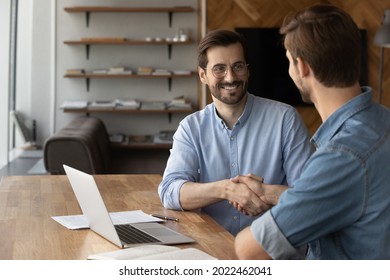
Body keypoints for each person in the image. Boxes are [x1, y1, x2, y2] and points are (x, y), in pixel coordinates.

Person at [234, 3, 390, 259]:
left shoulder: (342, 156)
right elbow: (340, 196)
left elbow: (250, 249)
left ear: (302, 67)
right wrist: (267, 193)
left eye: (288, 61)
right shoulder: (383, 122)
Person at [158, 29, 313, 236]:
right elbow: (170, 191)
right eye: (219, 69)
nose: (230, 77)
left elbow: (308, 196)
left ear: (248, 70)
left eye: (238, 66)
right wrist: (226, 189)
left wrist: (264, 194)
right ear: (203, 75)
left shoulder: (285, 119)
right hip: (213, 250)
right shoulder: (191, 128)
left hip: (272, 252)